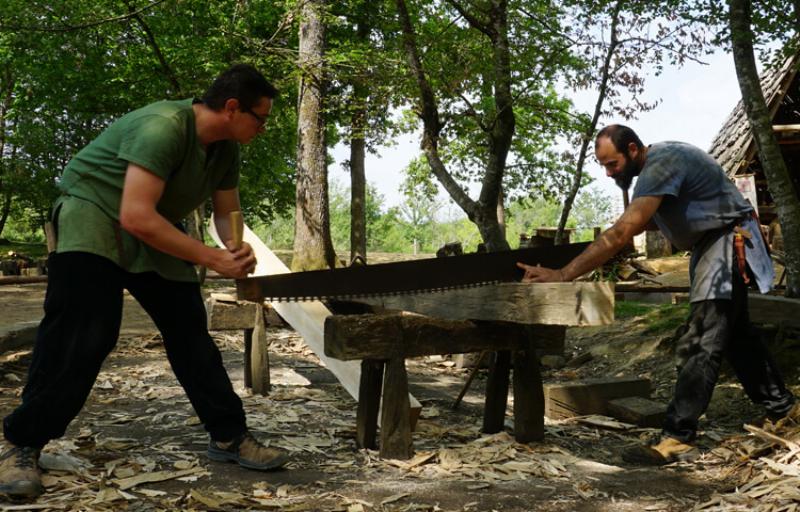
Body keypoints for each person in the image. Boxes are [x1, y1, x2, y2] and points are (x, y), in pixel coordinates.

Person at [0, 64, 289, 499]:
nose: (263, 128)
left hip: (155, 223)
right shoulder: (163, 127)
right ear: (232, 107)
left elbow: (227, 210)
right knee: (84, 333)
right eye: (260, 118)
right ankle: (22, 444)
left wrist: (235, 247)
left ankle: (229, 436)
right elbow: (134, 215)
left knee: (189, 332)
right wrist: (210, 257)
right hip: (94, 214)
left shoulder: (226, 149)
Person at [518, 124, 796, 465]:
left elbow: (621, 234)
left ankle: (678, 438)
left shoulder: (661, 163)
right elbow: (642, 221)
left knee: (700, 341)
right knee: (737, 338)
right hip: (711, 244)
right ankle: (784, 408)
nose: (608, 173)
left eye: (612, 164)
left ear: (633, 149)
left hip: (725, 241)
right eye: (603, 166)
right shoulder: (658, 166)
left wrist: (563, 274)